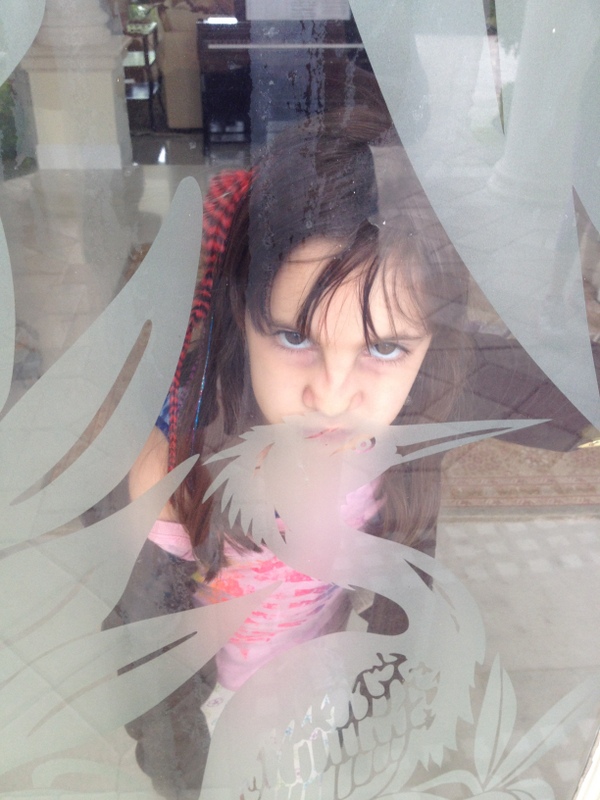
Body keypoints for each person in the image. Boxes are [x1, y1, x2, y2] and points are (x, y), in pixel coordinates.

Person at [104, 104, 598, 798]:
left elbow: (539, 392)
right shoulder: (175, 474)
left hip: (325, 693)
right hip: (216, 712)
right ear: (240, 321)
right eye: (294, 337)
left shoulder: (400, 443)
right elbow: (150, 676)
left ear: (429, 353)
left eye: (384, 348)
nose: (332, 396)